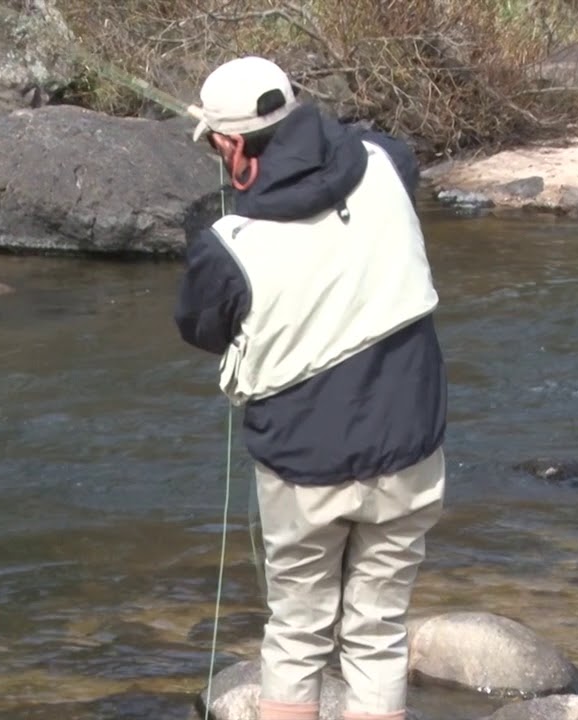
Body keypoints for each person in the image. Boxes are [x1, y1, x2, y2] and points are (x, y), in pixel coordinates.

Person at [175, 56, 448, 720]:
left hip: (305, 470)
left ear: (234, 148)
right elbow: (362, 147)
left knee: (297, 637)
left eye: (214, 143)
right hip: (410, 448)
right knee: (379, 634)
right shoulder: (388, 163)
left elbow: (201, 328)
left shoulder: (227, 248)